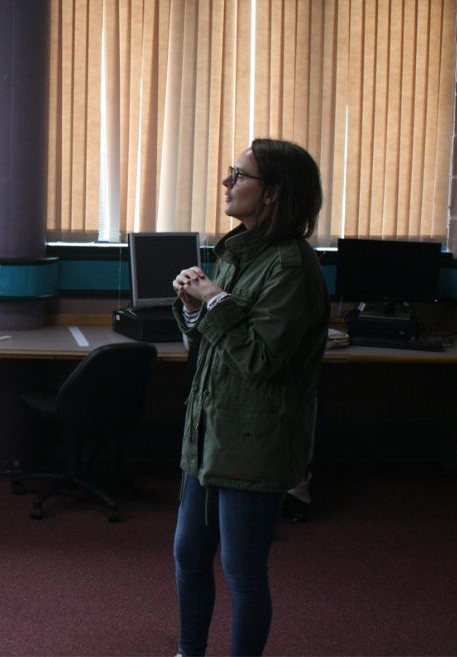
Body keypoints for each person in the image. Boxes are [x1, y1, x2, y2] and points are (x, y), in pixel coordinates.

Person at [171, 138, 330, 656]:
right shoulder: (239, 250)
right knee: (189, 556)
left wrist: (213, 298)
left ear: (273, 194)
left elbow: (261, 358)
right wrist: (193, 307)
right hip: (209, 436)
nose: (227, 183)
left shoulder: (291, 266)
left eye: (239, 175)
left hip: (255, 441)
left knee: (242, 572)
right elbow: (213, 341)